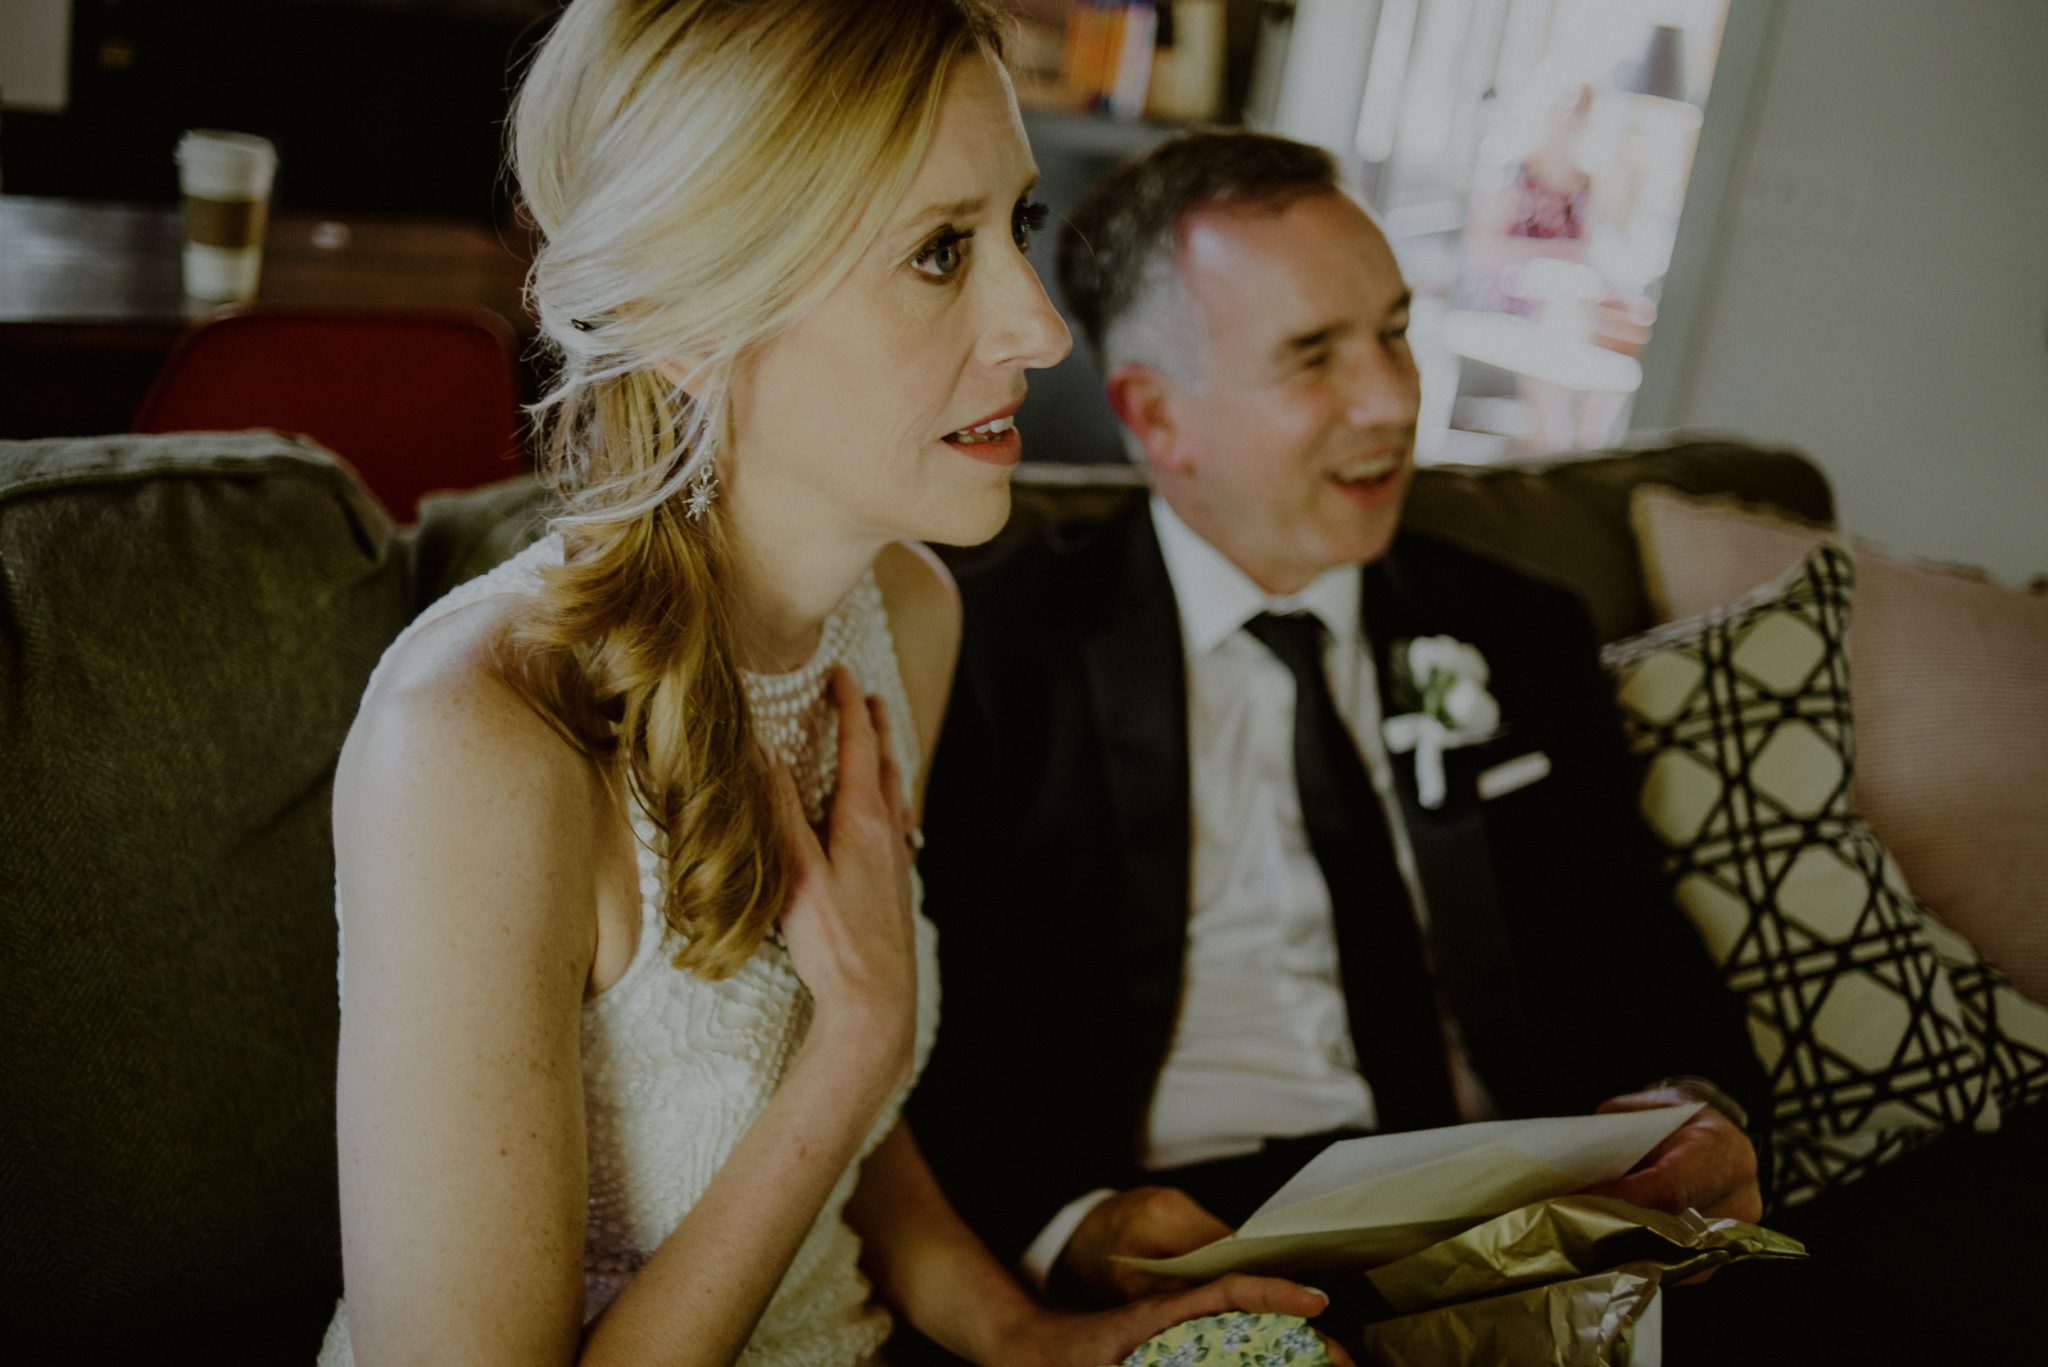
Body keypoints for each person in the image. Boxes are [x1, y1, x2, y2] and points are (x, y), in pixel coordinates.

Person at [318, 7, 1336, 1365]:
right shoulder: (474, 742)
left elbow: (858, 1158)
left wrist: (1021, 1328)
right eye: (937, 251)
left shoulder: (903, 612)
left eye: (1015, 230)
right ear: (692, 317)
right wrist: (856, 1038)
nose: (1039, 329)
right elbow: (836, 1066)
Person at [908, 129, 1770, 1310]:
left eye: (1395, 332)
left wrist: (1702, 1108)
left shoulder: (1515, 628)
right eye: (1313, 355)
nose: (1392, 397)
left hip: (1511, 1213)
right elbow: (936, 1040)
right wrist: (1070, 1222)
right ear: (1158, 419)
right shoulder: (989, 652)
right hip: (1194, 1225)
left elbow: (1630, 934)